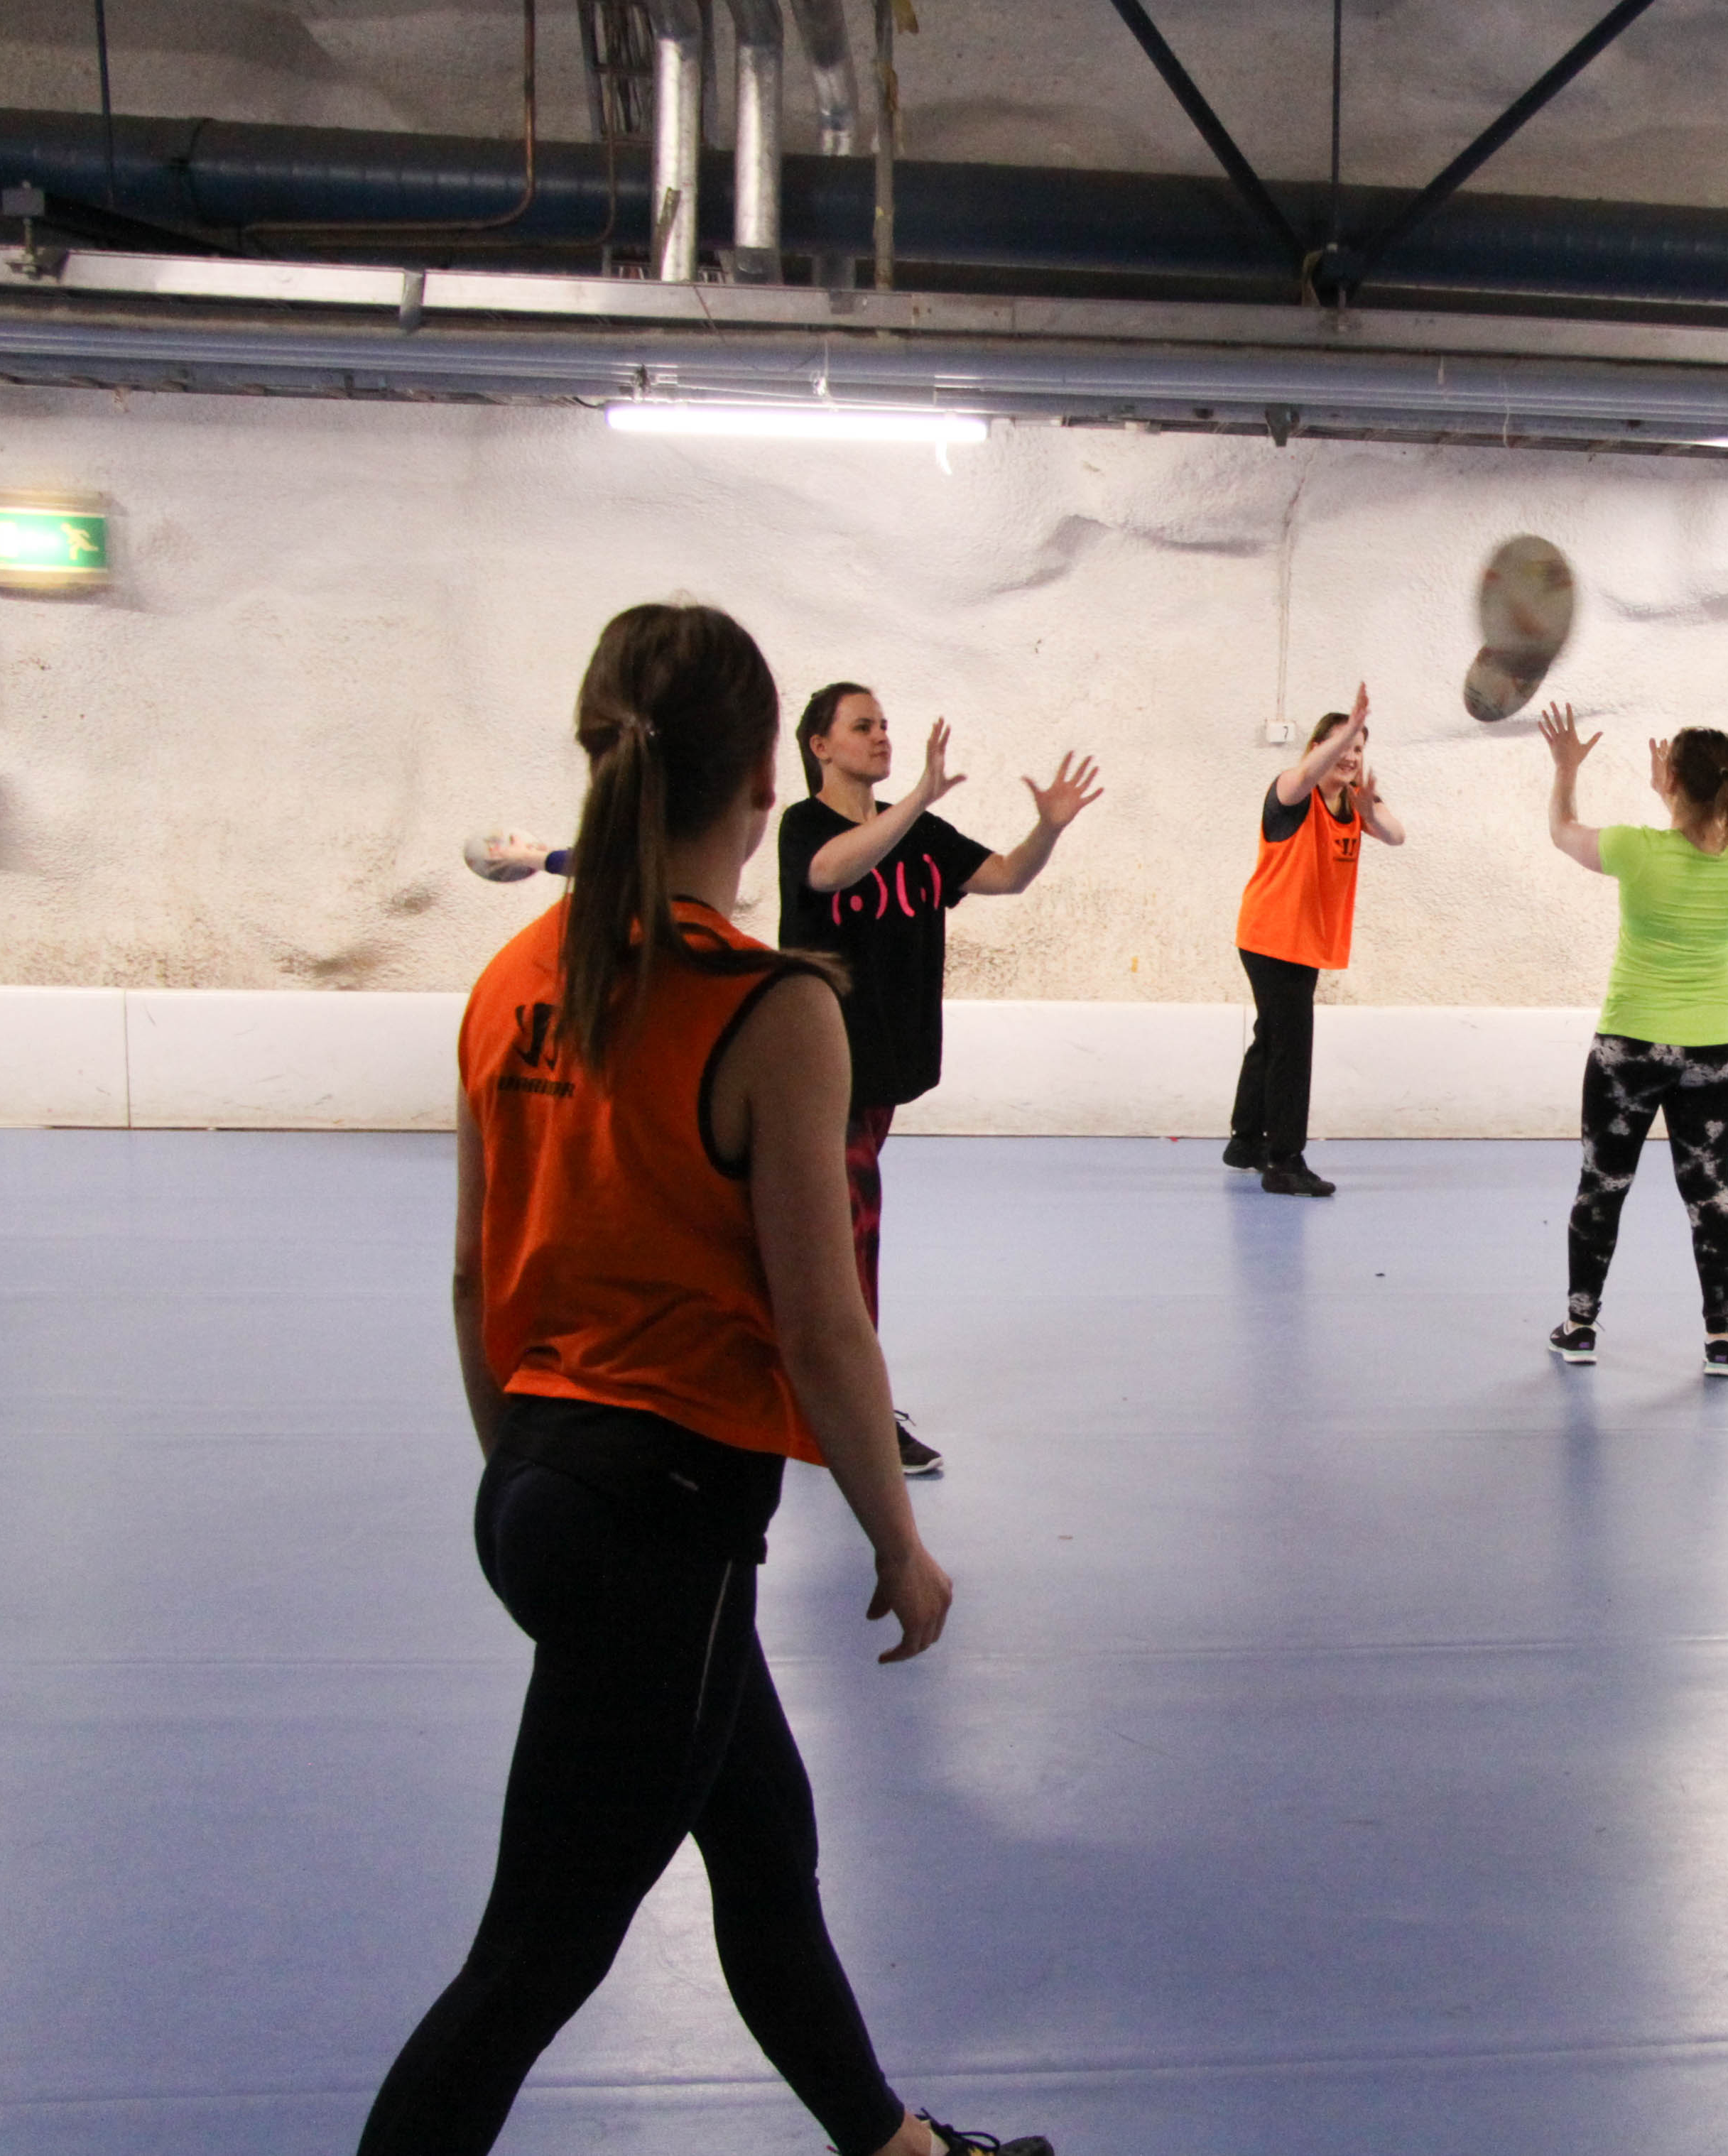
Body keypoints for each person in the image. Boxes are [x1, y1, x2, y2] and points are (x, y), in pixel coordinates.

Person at [365, 604, 1046, 2155]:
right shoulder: (769, 1005)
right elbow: (823, 1325)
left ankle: (898, 2147)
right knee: (530, 1962)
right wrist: (897, 1540)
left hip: (542, 1485)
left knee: (765, 1850)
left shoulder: (514, 977)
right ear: (760, 780)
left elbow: (474, 1275)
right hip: (658, 1518)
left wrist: (528, 1473)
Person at [781, 685, 1102, 1476]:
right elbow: (828, 873)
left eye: (885, 725)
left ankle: (810, 1389)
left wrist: (1048, 829)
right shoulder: (806, 826)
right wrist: (917, 798)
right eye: (863, 726)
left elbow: (1006, 876)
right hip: (820, 1066)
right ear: (820, 746)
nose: (881, 737)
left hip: (883, 1068)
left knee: (831, 1234)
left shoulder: (920, 836)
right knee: (855, 1231)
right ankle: (853, 1411)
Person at [1537, 704, 1728, 1376]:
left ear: (1671, 779)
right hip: (1712, 1053)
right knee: (1710, 1193)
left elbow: (1562, 831)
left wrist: (1566, 769)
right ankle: (1721, 1340)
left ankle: (1580, 1326)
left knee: (1603, 1185)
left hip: (1629, 1051)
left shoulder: (1635, 849)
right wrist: (1673, 794)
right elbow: (1701, 838)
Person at [1229, 685, 1404, 1196]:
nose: (1351, 756)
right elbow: (1304, 775)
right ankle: (1285, 1161)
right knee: (1292, 1047)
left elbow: (1397, 835)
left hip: (1304, 941)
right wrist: (1346, 731)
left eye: (1359, 748)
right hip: (1271, 937)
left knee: (1273, 1036)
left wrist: (1372, 813)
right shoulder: (1292, 792)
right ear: (1317, 748)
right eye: (1343, 745)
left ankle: (1246, 1141)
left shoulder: (1354, 800)